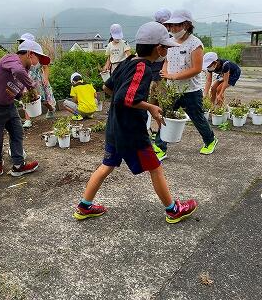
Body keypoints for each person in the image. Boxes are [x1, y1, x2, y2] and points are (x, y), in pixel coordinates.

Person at [72, 22, 198, 224]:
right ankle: (173, 209)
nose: (166, 50)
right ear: (158, 48)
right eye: (165, 47)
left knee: (107, 166)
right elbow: (126, 98)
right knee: (155, 167)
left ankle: (84, 206)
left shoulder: (127, 61)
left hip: (115, 127)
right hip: (131, 132)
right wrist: (150, 107)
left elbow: (108, 87)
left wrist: (126, 104)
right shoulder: (143, 68)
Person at [152, 10, 218, 161]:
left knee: (197, 118)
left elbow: (196, 69)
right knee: (165, 117)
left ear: (187, 25)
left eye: (177, 25)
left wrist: (172, 76)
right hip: (172, 90)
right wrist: (164, 73)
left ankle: (210, 140)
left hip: (191, 91)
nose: (173, 29)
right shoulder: (169, 41)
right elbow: (166, 61)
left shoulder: (196, 44)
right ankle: (160, 148)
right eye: (171, 26)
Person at [0, 40, 50, 177]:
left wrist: (24, 96)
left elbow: (14, 89)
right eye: (37, 58)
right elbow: (17, 71)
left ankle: (18, 165)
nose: (37, 63)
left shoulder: (25, 70)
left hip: (8, 104)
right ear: (29, 54)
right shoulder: (11, 58)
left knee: (17, 131)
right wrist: (31, 87)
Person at [17, 33, 56, 128]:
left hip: (39, 80)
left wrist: (46, 78)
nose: (21, 44)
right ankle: (28, 120)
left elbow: (45, 67)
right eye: (21, 42)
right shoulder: (22, 56)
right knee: (27, 99)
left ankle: (51, 110)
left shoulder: (37, 55)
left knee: (45, 100)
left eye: (23, 42)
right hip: (27, 80)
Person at [149, 8, 171, 105]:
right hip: (158, 69)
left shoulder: (151, 33)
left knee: (155, 95)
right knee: (161, 96)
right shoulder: (165, 36)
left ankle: (154, 116)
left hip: (157, 69)